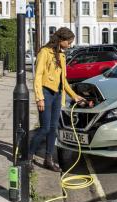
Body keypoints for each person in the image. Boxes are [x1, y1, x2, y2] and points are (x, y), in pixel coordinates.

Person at [29, 27, 86, 172]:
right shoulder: (44, 52)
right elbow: (38, 76)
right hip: (46, 93)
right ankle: (27, 157)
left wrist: (74, 96)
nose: (70, 45)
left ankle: (48, 159)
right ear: (61, 39)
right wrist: (39, 97)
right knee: (44, 128)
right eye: (69, 41)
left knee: (53, 129)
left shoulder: (61, 55)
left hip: (57, 95)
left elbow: (63, 80)